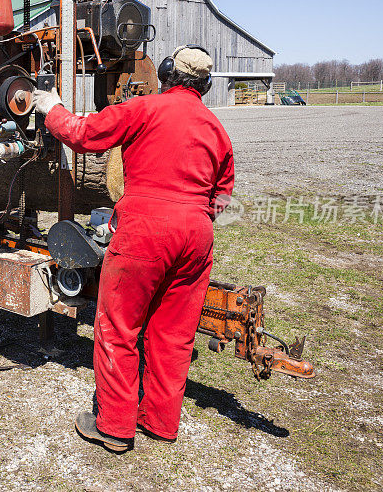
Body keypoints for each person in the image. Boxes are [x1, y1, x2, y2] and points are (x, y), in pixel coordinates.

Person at [31, 45, 234, 453]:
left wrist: (52, 107)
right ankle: (159, 422)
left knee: (118, 327)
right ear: (205, 85)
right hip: (197, 235)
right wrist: (189, 221)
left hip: (145, 228)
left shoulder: (145, 108)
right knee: (174, 333)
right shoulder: (216, 128)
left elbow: (85, 134)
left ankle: (114, 426)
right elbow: (221, 194)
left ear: (166, 72)